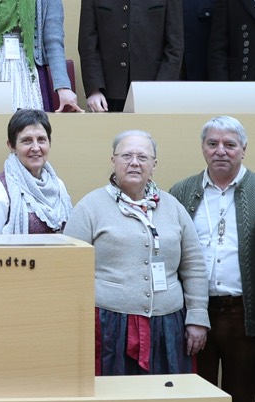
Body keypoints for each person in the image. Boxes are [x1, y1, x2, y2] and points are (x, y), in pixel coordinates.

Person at [65, 130, 209, 375]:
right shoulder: (90, 207)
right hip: (109, 326)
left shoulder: (173, 207)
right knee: (115, 394)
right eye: (126, 156)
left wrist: (197, 316)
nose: (134, 163)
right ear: (113, 160)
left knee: (164, 393)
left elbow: (193, 265)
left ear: (154, 165)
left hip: (168, 325)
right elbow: (70, 270)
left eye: (142, 157)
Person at [169, 116, 255, 402]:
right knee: (197, 397)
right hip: (195, 313)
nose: (220, 151)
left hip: (244, 313)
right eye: (212, 143)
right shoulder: (182, 191)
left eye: (230, 144)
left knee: (242, 398)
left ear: (244, 149)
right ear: (203, 148)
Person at [0, 109, 72, 234]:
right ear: (11, 146)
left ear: (49, 143)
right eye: (27, 140)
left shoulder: (58, 186)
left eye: (41, 139)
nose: (36, 148)